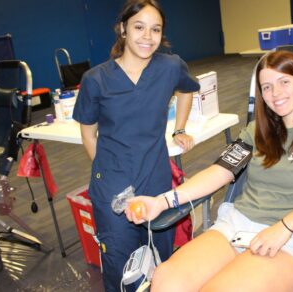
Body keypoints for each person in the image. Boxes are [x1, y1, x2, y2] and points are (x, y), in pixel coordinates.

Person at [126, 50, 293, 291]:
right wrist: (163, 201)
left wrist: (286, 226)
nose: (276, 93)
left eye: (284, 82)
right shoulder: (256, 132)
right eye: (267, 87)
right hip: (238, 223)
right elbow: (219, 172)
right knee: (166, 280)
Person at [72, 0, 200, 291]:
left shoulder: (170, 66)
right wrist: (108, 171)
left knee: (160, 258)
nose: (147, 36)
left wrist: (179, 128)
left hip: (155, 177)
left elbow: (187, 90)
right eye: (139, 27)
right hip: (112, 185)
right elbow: (88, 134)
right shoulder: (96, 79)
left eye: (155, 30)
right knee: (120, 263)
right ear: (123, 30)